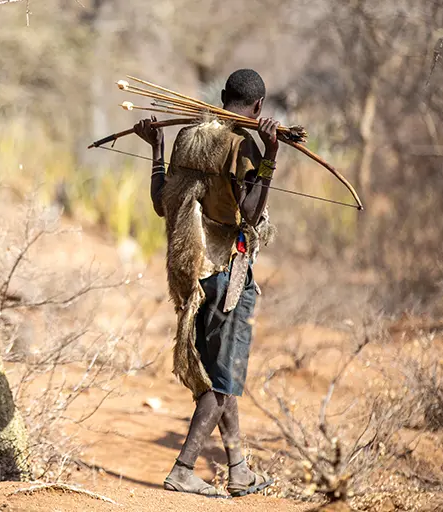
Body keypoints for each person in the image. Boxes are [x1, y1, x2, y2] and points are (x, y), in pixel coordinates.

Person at [134, 69, 279, 498]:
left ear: (221, 97)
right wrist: (270, 157)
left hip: (194, 270)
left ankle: (239, 470)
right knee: (223, 381)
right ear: (258, 109)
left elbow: (163, 204)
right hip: (227, 271)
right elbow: (250, 215)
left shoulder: (187, 138)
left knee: (220, 372)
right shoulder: (243, 146)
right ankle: (183, 469)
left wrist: (157, 148)